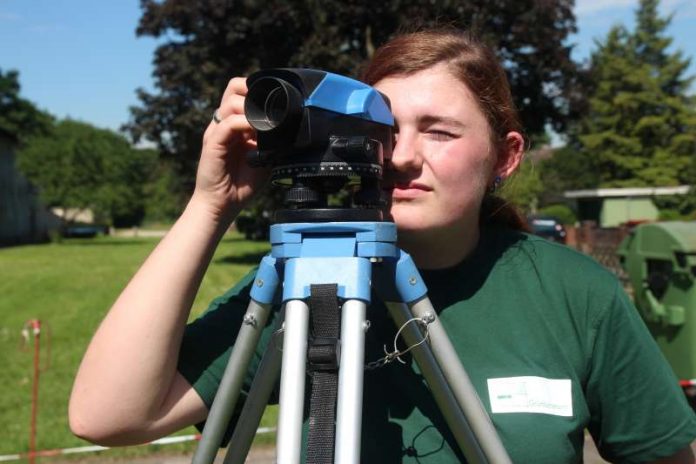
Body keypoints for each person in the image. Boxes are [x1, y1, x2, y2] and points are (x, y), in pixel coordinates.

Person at [69, 28, 696, 463]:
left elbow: (666, 455)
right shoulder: (308, 281)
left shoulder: (572, 293)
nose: (400, 157)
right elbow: (109, 415)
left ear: (505, 157)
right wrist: (209, 208)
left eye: (441, 132)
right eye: (383, 129)